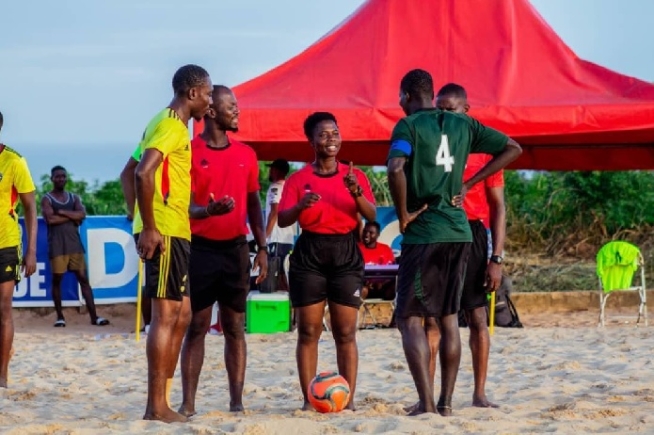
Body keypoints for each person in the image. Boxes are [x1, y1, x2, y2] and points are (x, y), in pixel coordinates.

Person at [386, 69, 521, 416]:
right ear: (432, 95)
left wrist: (402, 214)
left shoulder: (408, 126)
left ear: (406, 96)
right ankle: (445, 404)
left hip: (425, 233)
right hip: (460, 233)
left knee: (410, 318)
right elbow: (513, 147)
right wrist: (469, 182)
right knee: (448, 319)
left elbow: (396, 167)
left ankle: (428, 404)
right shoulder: (465, 125)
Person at [179, 85, 268, 416]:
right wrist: (208, 211)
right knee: (197, 326)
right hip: (200, 250)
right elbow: (184, 206)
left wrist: (262, 247)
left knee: (234, 327)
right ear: (212, 111)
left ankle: (236, 403)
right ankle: (188, 404)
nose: (237, 110)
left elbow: (255, 204)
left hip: (236, 250)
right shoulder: (189, 152)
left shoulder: (246, 154)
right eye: (231, 105)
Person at [278, 112, 376, 411]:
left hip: (345, 252)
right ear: (311, 142)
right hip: (310, 253)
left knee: (345, 332)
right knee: (308, 332)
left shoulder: (355, 176)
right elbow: (282, 219)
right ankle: (310, 401)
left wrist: (356, 192)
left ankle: (348, 401)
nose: (331, 139)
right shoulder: (298, 180)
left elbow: (371, 214)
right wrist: (300, 205)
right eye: (323, 134)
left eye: (335, 133)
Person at [134, 64, 213, 423]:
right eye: (207, 94)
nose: (209, 101)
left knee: (182, 313)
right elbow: (141, 171)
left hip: (176, 228)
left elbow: (130, 169)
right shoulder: (170, 124)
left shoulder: (169, 124)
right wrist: (149, 227)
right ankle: (156, 407)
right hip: (164, 230)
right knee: (165, 316)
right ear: (192, 93)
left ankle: (162, 400)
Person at [41, 166, 109, 327]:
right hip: (57, 245)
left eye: (63, 176)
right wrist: (72, 216)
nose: (61, 179)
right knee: (57, 280)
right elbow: (50, 220)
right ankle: (60, 317)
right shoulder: (47, 199)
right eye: (57, 176)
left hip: (75, 245)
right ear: (52, 179)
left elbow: (82, 214)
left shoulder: (73, 197)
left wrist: (62, 212)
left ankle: (94, 317)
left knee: (83, 280)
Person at [0, 110, 37, 388]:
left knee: (3, 308)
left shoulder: (14, 161)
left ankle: (1, 375)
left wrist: (31, 251)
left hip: (6, 243)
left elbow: (30, 208)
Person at [120, 146, 151, 332]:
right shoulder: (158, 138)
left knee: (150, 278)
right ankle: (150, 325)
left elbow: (126, 173)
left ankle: (151, 325)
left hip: (148, 222)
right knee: (152, 279)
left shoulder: (148, 141)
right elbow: (129, 173)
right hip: (155, 223)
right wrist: (135, 211)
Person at [265, 158, 295, 290]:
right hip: (288, 238)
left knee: (277, 275)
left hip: (276, 238)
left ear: (277, 171)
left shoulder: (275, 187)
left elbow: (274, 212)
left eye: (272, 169)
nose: (270, 171)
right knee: (284, 274)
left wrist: (265, 238)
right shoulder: (289, 187)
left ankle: (287, 300)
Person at [358, 221, 396, 300]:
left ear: (377, 235)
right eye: (365, 231)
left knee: (394, 287)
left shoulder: (385, 249)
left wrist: (381, 283)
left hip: (382, 286)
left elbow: (391, 271)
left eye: (371, 233)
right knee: (362, 290)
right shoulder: (356, 248)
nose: (366, 235)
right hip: (363, 285)